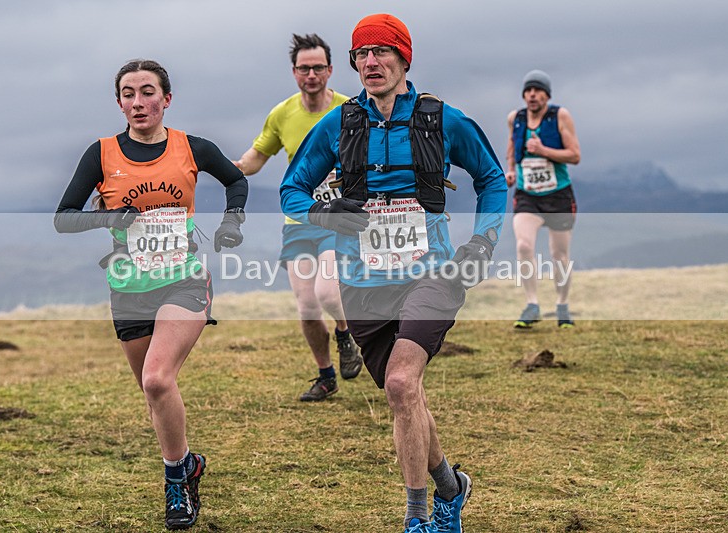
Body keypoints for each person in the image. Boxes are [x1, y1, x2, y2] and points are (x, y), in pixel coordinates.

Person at [280, 14, 507, 533]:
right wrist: (326, 214)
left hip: (433, 272)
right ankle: (452, 487)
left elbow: (492, 178)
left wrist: (483, 240)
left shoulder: (442, 119)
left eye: (382, 52)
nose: (370, 62)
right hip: (361, 280)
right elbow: (291, 189)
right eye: (362, 54)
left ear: (405, 60)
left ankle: (417, 518)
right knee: (403, 395)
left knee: (403, 382)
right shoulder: (339, 124)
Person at [54, 59, 248, 530]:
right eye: (128, 94)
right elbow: (64, 216)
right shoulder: (100, 154)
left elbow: (236, 180)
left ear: (166, 98)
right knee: (152, 390)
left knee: (158, 379)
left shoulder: (192, 148)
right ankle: (187, 463)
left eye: (147, 92)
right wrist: (107, 218)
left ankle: (176, 485)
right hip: (129, 288)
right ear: (118, 102)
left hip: (183, 280)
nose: (138, 102)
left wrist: (231, 220)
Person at [234, 33, 364, 402]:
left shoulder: (350, 109)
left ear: (330, 70)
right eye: (304, 68)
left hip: (338, 217)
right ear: (294, 72)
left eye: (318, 68)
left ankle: (345, 332)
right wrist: (225, 168)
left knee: (327, 291)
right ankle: (326, 376)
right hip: (300, 219)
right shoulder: (282, 114)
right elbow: (256, 159)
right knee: (306, 305)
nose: (311, 75)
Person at [505, 70, 581, 329]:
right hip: (528, 196)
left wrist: (543, 150)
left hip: (558, 195)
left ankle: (562, 305)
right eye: (528, 91)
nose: (532, 95)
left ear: (547, 95)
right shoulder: (515, 119)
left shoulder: (559, 116)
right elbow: (512, 148)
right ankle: (532, 304)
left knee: (559, 255)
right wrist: (512, 169)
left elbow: (575, 155)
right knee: (524, 246)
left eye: (537, 90)